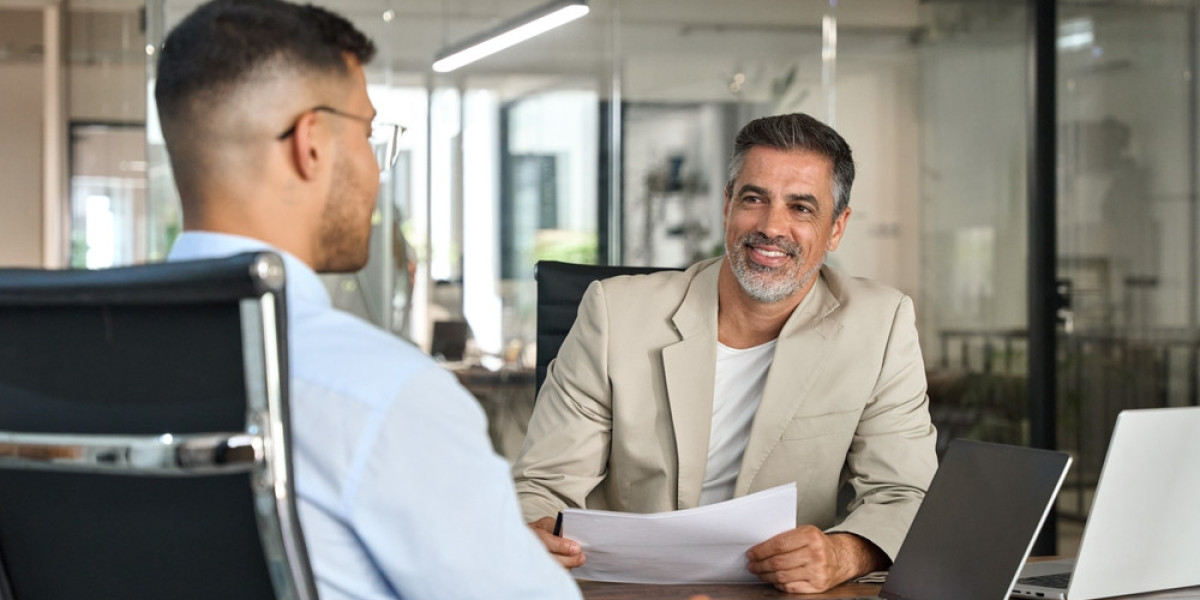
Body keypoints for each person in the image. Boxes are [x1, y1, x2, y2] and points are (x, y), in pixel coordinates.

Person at [154, 1, 580, 598]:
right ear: (312, 144)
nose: (377, 169)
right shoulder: (380, 394)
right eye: (368, 133)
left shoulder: (60, 366)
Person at [512, 113, 938, 594]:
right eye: (754, 199)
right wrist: (536, 534)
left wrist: (844, 553)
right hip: (627, 589)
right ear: (727, 207)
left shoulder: (880, 324)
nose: (771, 227)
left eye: (801, 208)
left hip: (779, 594)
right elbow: (543, 484)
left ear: (837, 228)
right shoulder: (615, 312)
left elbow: (906, 493)